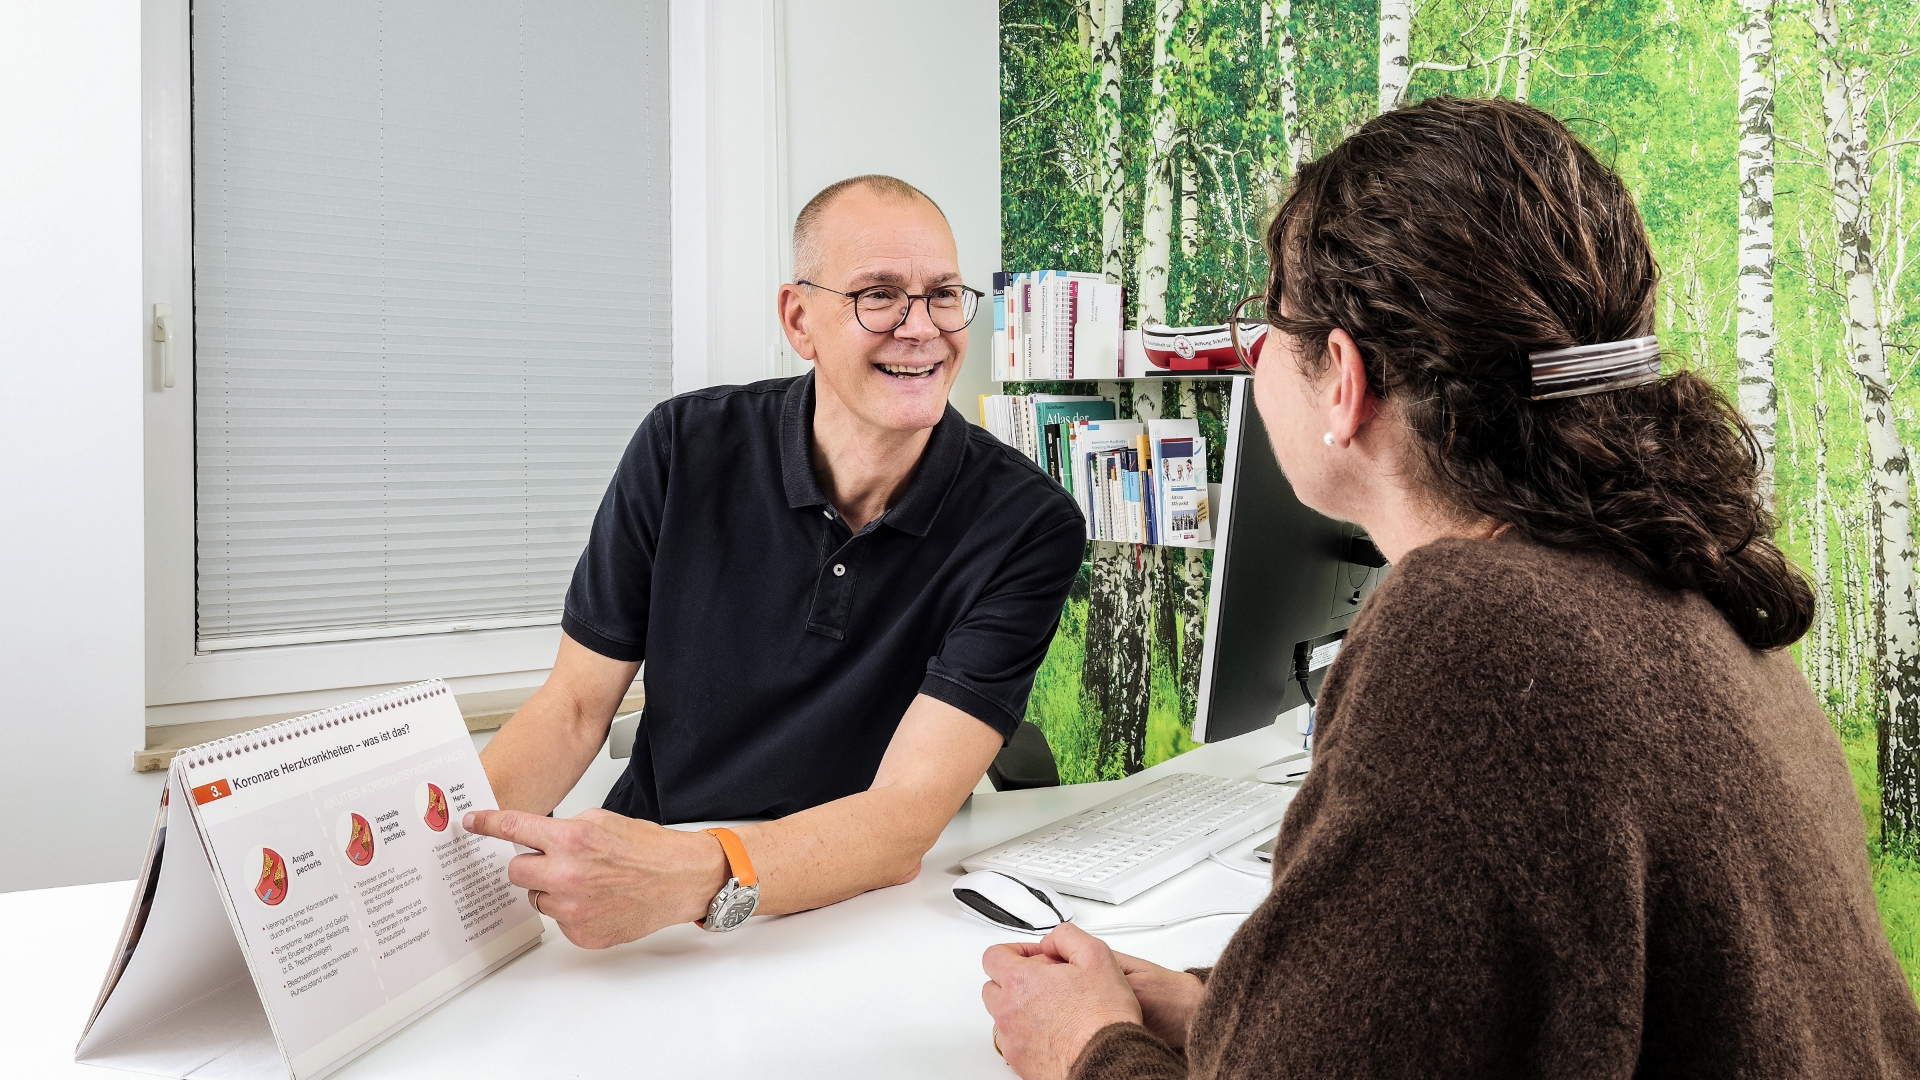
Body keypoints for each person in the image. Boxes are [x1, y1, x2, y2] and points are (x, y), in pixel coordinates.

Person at [980, 97, 1920, 1079]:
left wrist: (1086, 1045)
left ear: (1341, 378)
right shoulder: (1664, 580)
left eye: (1267, 321)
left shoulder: (1476, 626)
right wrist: (1229, 1008)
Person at [466, 175, 1085, 948]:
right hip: (642, 891)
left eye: (943, 295)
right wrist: (427, 872)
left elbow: (902, 817)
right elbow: (574, 710)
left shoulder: (1028, 525)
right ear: (800, 318)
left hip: (843, 907)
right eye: (879, 296)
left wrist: (697, 875)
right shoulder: (682, 447)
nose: (922, 328)